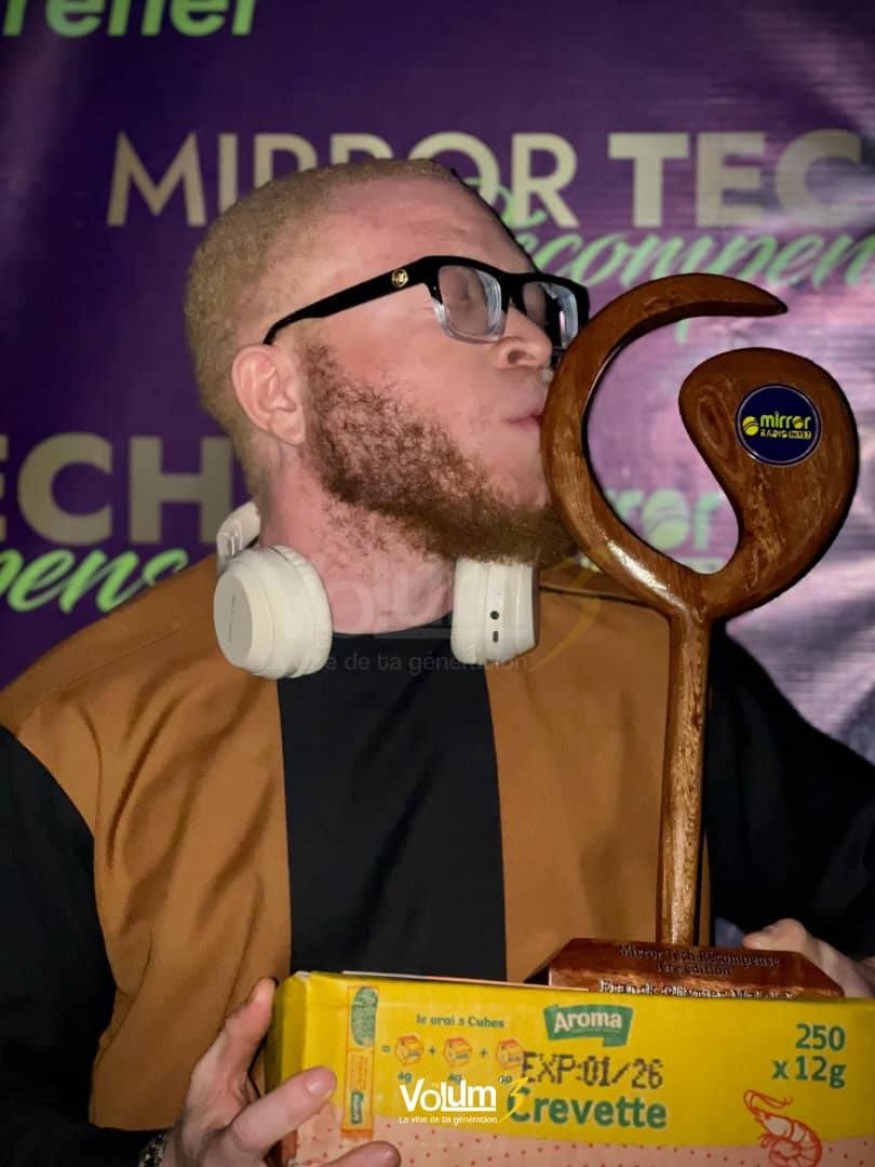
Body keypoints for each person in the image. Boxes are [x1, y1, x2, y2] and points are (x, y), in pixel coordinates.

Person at [0, 158, 873, 1167]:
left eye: (538, 303)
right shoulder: (76, 729)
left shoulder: (657, 664)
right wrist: (163, 1163)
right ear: (278, 392)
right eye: (460, 296)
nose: (535, 340)